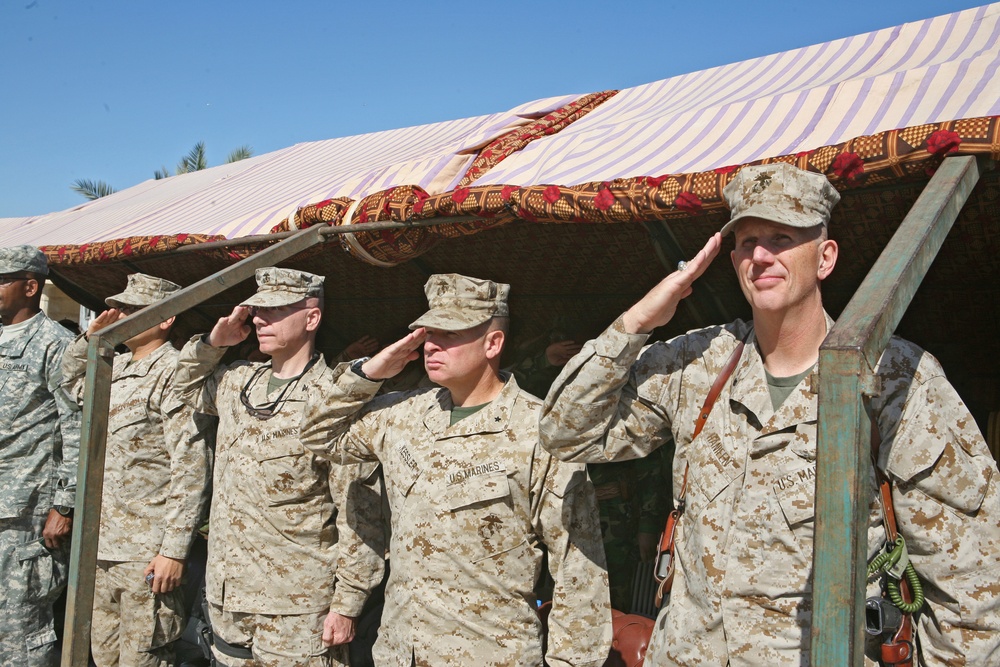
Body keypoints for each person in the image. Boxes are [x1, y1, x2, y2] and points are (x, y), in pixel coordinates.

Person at [539, 163, 1000, 666]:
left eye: (781, 238)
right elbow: (567, 433)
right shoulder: (698, 364)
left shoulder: (893, 377)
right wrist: (638, 320)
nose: (760, 256)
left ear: (824, 258)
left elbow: (970, 580)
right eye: (746, 241)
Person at [299, 273, 612, 667]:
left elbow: (577, 565)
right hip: (401, 652)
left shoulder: (540, 432)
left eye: (450, 333)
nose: (431, 344)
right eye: (429, 332)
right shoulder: (403, 415)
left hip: (489, 654)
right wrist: (369, 373)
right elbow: (316, 435)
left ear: (492, 343)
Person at [172, 268, 385, 667]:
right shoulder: (236, 381)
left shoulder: (333, 396)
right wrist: (213, 343)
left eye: (274, 311)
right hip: (228, 596)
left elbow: (360, 511)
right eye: (257, 311)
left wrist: (349, 603)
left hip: (298, 604)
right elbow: (177, 391)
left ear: (311, 318)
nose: (258, 319)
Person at [61, 273, 212, 666]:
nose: (120, 315)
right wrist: (89, 339)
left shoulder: (176, 372)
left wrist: (174, 551)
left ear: (165, 319)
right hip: (99, 545)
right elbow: (69, 385)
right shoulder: (113, 366)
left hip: (145, 551)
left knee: (144, 657)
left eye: (132, 309)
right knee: (104, 654)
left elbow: (191, 466)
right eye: (119, 307)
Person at [0, 245, 80, 666]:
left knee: (21, 629)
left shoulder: (56, 344)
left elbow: (77, 428)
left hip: (25, 514)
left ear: (30, 287)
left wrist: (64, 504)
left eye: (2, 280)